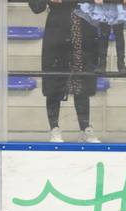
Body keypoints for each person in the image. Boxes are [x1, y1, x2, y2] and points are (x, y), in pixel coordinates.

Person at [30, 0, 101, 143]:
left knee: (81, 81)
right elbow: (36, 7)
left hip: (83, 30)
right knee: (54, 81)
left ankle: (85, 127)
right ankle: (54, 128)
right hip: (57, 32)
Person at [76, 0, 126, 74]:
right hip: (103, 6)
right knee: (103, 35)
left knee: (119, 34)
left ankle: (121, 64)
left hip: (118, 6)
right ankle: (102, 64)